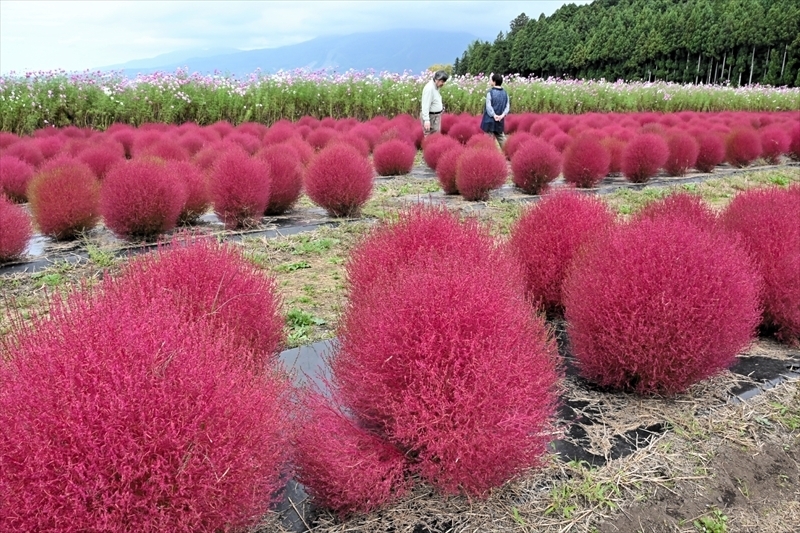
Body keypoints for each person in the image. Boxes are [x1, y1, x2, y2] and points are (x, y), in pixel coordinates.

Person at [480, 73, 510, 147]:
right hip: (500, 120)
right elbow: (507, 106)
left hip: (489, 120)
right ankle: (508, 152)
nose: (490, 81)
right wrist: (502, 116)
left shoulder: (490, 92)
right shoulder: (505, 93)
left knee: (488, 139)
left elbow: (488, 106)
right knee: (501, 137)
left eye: (491, 80)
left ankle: (489, 154)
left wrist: (494, 115)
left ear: (494, 81)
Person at [420, 70, 449, 136]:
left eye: (444, 82)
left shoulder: (436, 86)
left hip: (436, 116)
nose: (443, 84)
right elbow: (425, 105)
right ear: (436, 79)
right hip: (431, 117)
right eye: (442, 81)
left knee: (436, 136)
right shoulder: (429, 89)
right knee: (429, 136)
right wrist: (427, 120)